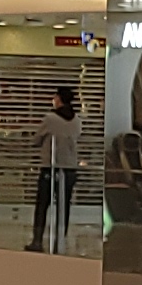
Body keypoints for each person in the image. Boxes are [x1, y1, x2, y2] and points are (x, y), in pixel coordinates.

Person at [38, 82, 81, 250]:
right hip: (70, 167)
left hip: (51, 166)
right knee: (64, 205)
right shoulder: (77, 120)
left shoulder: (50, 119)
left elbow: (36, 139)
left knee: (42, 204)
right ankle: (60, 239)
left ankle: (37, 240)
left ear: (58, 99)